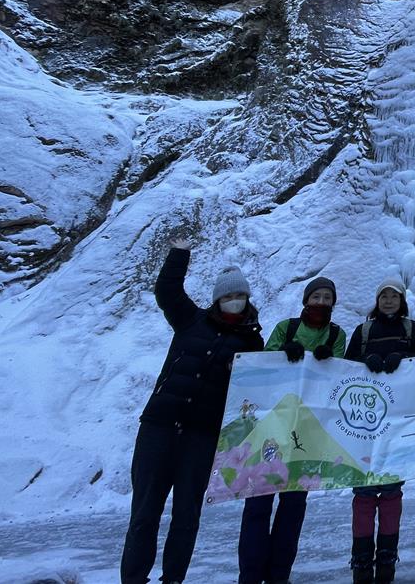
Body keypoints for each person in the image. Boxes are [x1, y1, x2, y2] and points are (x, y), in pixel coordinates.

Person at [121, 238, 264, 584]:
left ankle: (173, 580)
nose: (234, 301)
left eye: (240, 296)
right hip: (159, 428)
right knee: (144, 513)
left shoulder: (252, 343)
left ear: (247, 299)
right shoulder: (190, 321)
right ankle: (133, 579)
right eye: (228, 296)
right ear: (217, 299)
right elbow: (167, 290)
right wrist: (179, 253)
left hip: (202, 438)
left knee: (186, 516)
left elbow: (259, 390)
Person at [238, 276, 345, 584]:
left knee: (293, 506)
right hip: (273, 424)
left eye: (327, 298)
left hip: (308, 430)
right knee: (258, 500)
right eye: (317, 296)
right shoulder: (286, 328)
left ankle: (278, 575)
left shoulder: (337, 333)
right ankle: (250, 574)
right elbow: (266, 361)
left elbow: (338, 373)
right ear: (306, 299)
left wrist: (328, 360)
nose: (321, 302)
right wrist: (285, 351)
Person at [345, 279, 415, 584]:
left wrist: (403, 360)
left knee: (392, 491)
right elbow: (345, 367)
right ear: (377, 300)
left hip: (399, 420)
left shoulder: (411, 329)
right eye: (384, 295)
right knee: (365, 491)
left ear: (402, 300)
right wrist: (362, 362)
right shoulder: (364, 331)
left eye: (394, 296)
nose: (389, 300)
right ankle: (361, 560)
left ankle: (386, 558)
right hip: (365, 420)